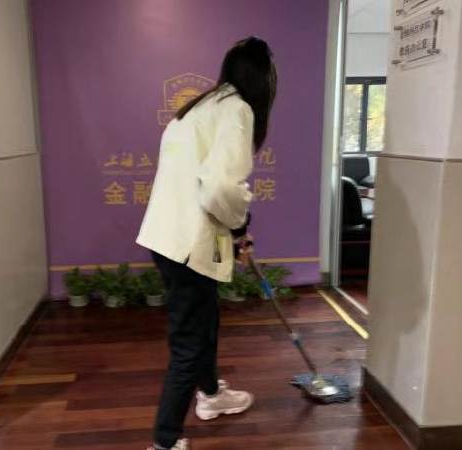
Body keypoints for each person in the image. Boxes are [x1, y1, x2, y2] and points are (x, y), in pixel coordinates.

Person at [137, 36, 278, 450]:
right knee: (189, 343)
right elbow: (219, 187)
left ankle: (212, 394)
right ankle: (165, 442)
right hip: (188, 242)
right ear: (263, 78)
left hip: (169, 237)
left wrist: (234, 228)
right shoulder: (236, 109)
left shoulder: (197, 108)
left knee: (205, 322)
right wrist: (238, 224)